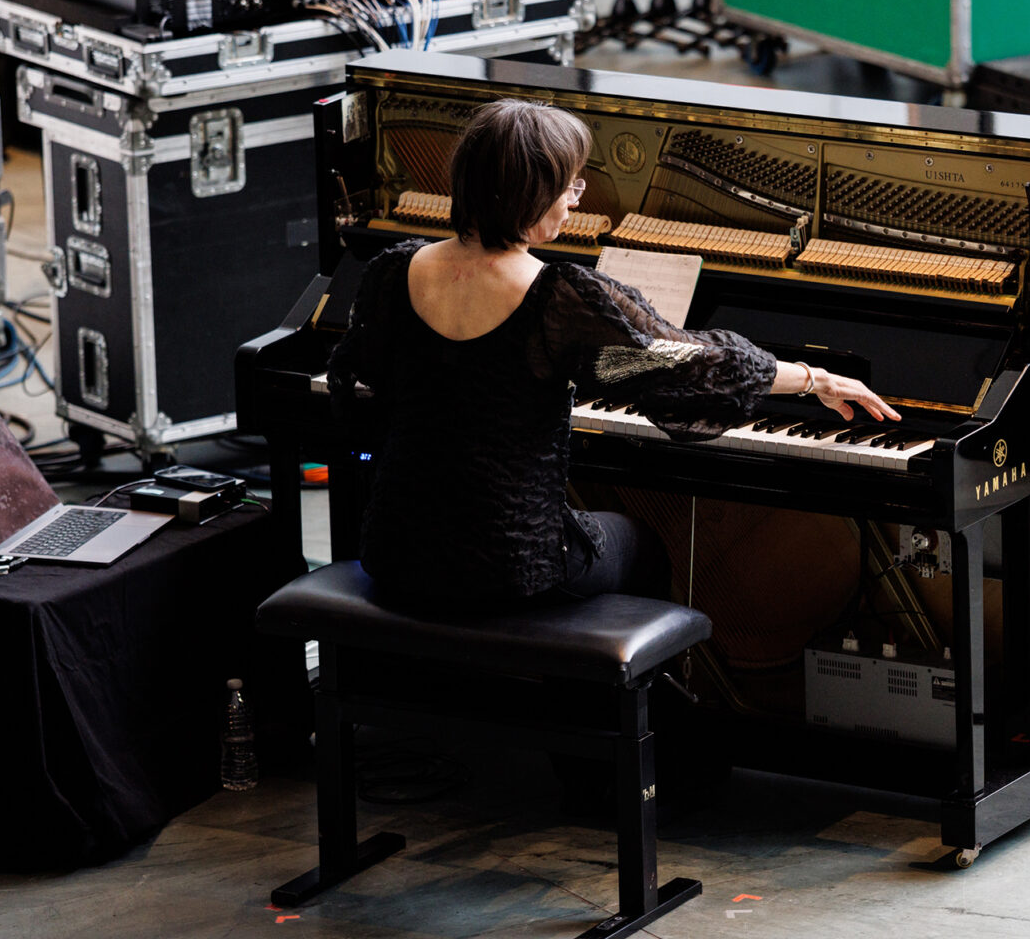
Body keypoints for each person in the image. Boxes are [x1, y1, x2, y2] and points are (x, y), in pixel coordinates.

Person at [329, 98, 898, 611]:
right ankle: (630, 692)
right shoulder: (557, 297)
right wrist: (813, 378)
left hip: (396, 549)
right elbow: (685, 362)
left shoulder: (392, 270)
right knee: (642, 544)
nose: (577, 199)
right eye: (569, 187)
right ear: (531, 195)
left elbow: (364, 388)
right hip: (509, 565)